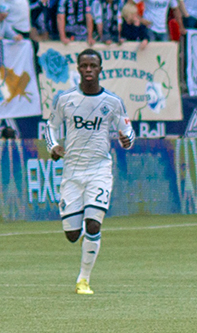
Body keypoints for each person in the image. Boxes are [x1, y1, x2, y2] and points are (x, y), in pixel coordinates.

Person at [45, 49, 135, 295]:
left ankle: (83, 280)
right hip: (72, 171)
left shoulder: (112, 102)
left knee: (93, 225)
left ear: (100, 69)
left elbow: (127, 128)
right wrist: (53, 146)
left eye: (92, 66)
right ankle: (82, 227)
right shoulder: (65, 99)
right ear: (78, 68)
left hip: (99, 169)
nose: (88, 70)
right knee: (73, 235)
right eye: (83, 65)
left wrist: (127, 139)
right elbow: (50, 127)